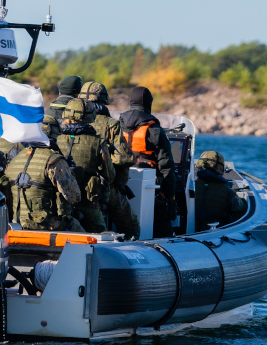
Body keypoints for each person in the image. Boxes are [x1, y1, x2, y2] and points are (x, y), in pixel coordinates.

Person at [79, 81, 141, 239]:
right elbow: (124, 158)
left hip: (78, 183)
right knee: (131, 226)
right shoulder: (111, 124)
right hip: (105, 185)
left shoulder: (72, 123)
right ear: (103, 101)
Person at [120, 86, 176, 237]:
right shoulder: (154, 129)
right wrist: (168, 193)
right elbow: (166, 166)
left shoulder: (117, 125)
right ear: (149, 103)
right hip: (150, 186)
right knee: (163, 225)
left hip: (120, 183)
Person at [55, 99, 115, 233]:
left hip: (59, 204)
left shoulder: (55, 139)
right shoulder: (98, 142)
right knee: (100, 233)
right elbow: (110, 175)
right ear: (91, 116)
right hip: (87, 202)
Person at [4, 135, 84, 232]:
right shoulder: (53, 159)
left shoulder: (15, 160)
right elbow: (74, 197)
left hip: (16, 225)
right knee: (82, 230)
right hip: (47, 226)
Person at [194, 151, 247, 231]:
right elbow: (241, 210)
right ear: (220, 167)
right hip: (217, 233)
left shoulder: (190, 187)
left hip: (191, 231)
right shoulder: (227, 191)